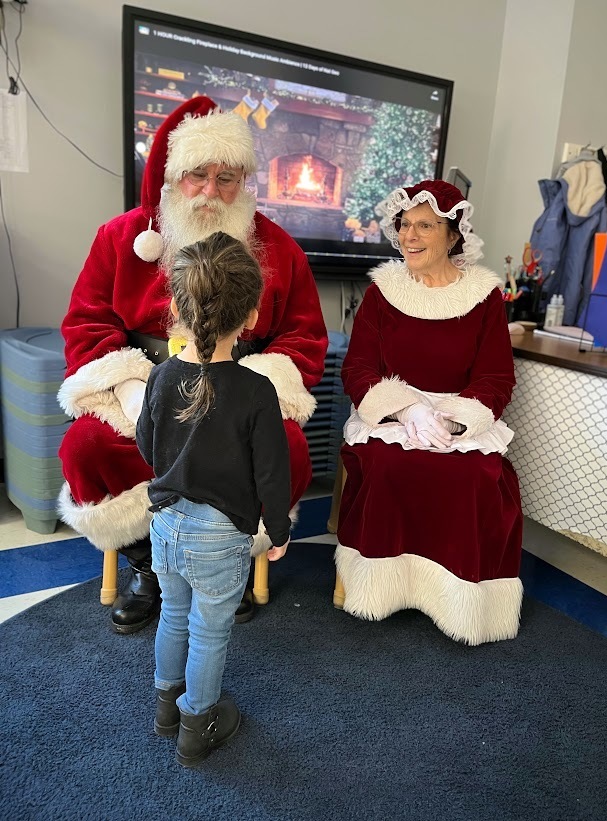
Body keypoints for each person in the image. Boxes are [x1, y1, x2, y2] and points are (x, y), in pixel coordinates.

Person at [57, 96, 328, 632]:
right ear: (171, 176)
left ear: (244, 181)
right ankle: (147, 563)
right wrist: (133, 390)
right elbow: (87, 324)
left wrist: (253, 392)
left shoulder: (278, 248)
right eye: (196, 175)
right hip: (141, 394)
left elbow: (303, 336)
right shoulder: (121, 238)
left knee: (292, 449)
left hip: (241, 390)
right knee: (85, 447)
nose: (211, 191)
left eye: (227, 178)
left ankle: (227, 560)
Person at [335, 180, 523, 645]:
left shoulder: (485, 297)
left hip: (457, 416)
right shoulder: (383, 293)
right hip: (394, 411)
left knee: (477, 475)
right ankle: (383, 590)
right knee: (388, 463)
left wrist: (454, 419)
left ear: (454, 235)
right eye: (404, 225)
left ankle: (455, 602)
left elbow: (497, 376)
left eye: (425, 225)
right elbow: (358, 367)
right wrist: (405, 411)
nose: (410, 236)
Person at [136, 233, 290, 767]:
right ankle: (197, 725)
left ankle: (164, 710)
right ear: (250, 315)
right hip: (220, 537)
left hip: (165, 524)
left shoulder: (160, 375)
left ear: (176, 307)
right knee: (208, 631)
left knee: (172, 616)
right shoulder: (257, 391)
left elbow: (145, 445)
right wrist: (281, 533)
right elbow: (273, 473)